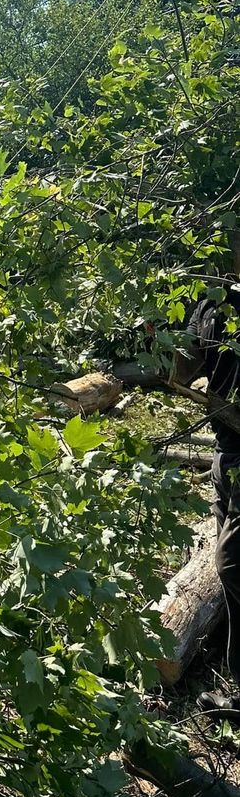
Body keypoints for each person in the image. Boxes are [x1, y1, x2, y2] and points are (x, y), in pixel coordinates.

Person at [172, 290, 240, 716]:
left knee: (233, 565)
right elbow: (181, 369)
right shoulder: (212, 302)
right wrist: (158, 336)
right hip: (225, 451)